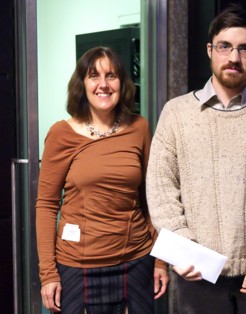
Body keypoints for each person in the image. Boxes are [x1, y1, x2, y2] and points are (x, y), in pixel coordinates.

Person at [146, 5, 246, 314]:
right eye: (225, 47)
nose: (233, 57)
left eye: (244, 48)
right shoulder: (176, 113)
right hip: (196, 272)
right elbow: (160, 188)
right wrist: (182, 249)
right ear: (210, 50)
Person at [36, 46, 169, 313]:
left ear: (122, 83)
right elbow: (47, 205)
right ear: (82, 84)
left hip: (137, 260)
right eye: (93, 76)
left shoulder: (139, 127)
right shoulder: (62, 134)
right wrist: (48, 273)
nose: (103, 84)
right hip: (78, 265)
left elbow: (151, 197)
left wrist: (160, 260)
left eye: (111, 76)